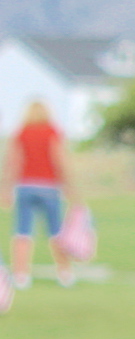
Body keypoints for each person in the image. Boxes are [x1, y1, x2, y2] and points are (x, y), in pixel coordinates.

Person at [6, 100, 76, 290]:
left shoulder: (21, 133)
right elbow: (59, 158)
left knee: (22, 232)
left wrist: (6, 189)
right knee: (56, 231)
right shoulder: (51, 132)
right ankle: (64, 272)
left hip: (25, 186)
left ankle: (21, 275)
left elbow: (13, 161)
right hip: (49, 186)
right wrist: (69, 185)